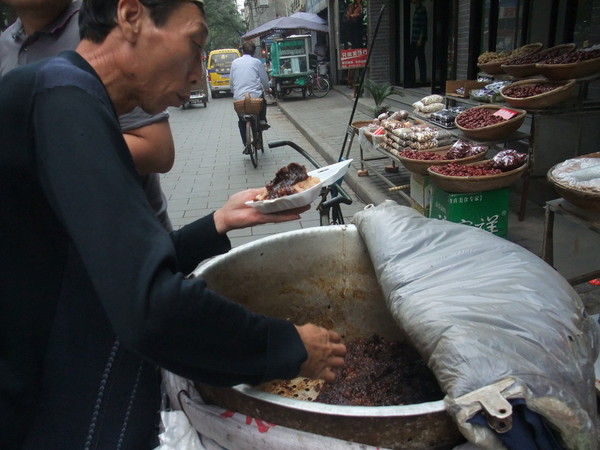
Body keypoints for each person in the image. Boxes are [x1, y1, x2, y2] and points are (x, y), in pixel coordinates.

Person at [0, 1, 346, 448]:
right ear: (130, 16)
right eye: (196, 43)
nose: (198, 74)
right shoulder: (60, 94)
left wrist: (216, 224)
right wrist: (289, 346)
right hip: (56, 413)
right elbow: (151, 307)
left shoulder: (71, 97)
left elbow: (109, 269)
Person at [0, 0, 175, 231]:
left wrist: (35, 150)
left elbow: (156, 151)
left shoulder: (105, 27)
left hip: (126, 244)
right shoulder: (5, 44)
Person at [230, 41, 270, 152]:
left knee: (241, 121)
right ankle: (262, 119)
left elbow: (232, 83)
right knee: (263, 99)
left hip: (240, 98)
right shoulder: (257, 62)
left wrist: (235, 92)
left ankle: (246, 145)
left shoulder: (235, 63)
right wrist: (267, 88)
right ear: (253, 52)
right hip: (255, 97)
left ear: (242, 51)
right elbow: (264, 80)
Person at [408, 0, 428, 84]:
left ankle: (422, 79)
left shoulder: (422, 10)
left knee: (420, 59)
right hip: (414, 38)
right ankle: (413, 79)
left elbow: (424, 26)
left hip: (418, 40)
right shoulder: (417, 9)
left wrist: (420, 39)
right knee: (413, 59)